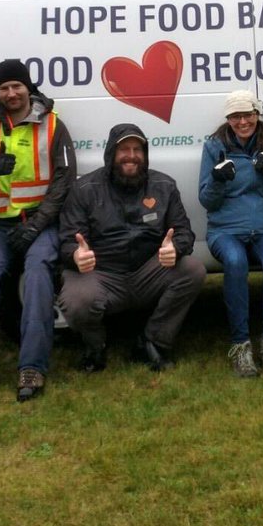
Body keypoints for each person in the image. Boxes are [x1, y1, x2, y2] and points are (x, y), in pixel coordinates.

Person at [0, 59, 77, 403]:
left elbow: (65, 180)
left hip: (39, 224)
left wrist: (38, 224)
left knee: (39, 276)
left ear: (28, 88)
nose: (11, 93)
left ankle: (32, 367)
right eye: (4, 87)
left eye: (17, 86)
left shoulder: (53, 125)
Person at [58, 123, 206, 372]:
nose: (132, 155)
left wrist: (176, 249)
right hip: (102, 273)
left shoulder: (164, 185)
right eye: (124, 149)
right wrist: (75, 254)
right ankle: (96, 346)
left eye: (138, 149)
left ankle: (153, 341)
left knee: (193, 269)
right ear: (111, 153)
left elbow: (183, 232)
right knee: (76, 300)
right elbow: (66, 240)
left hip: (148, 272)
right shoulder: (84, 189)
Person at [198, 89, 263, 378]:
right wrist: (217, 180)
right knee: (235, 262)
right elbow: (207, 200)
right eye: (236, 116)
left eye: (248, 115)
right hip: (226, 230)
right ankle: (241, 345)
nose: (243, 122)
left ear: (257, 114)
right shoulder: (214, 147)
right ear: (228, 119)